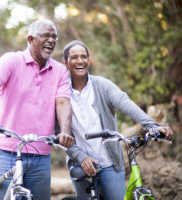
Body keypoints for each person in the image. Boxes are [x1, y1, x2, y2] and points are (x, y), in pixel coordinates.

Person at [0, 19, 74, 200]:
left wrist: (65, 132)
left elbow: (63, 102)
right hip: (7, 149)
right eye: (46, 35)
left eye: (54, 37)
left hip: (41, 152)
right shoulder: (11, 60)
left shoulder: (60, 70)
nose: (51, 40)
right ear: (30, 39)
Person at [63, 40, 173, 200]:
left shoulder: (102, 86)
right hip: (80, 163)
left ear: (88, 60)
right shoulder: (61, 93)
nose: (80, 61)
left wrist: (152, 125)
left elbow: (126, 104)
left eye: (83, 56)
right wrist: (81, 157)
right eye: (74, 57)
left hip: (109, 163)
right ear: (65, 62)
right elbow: (61, 133)